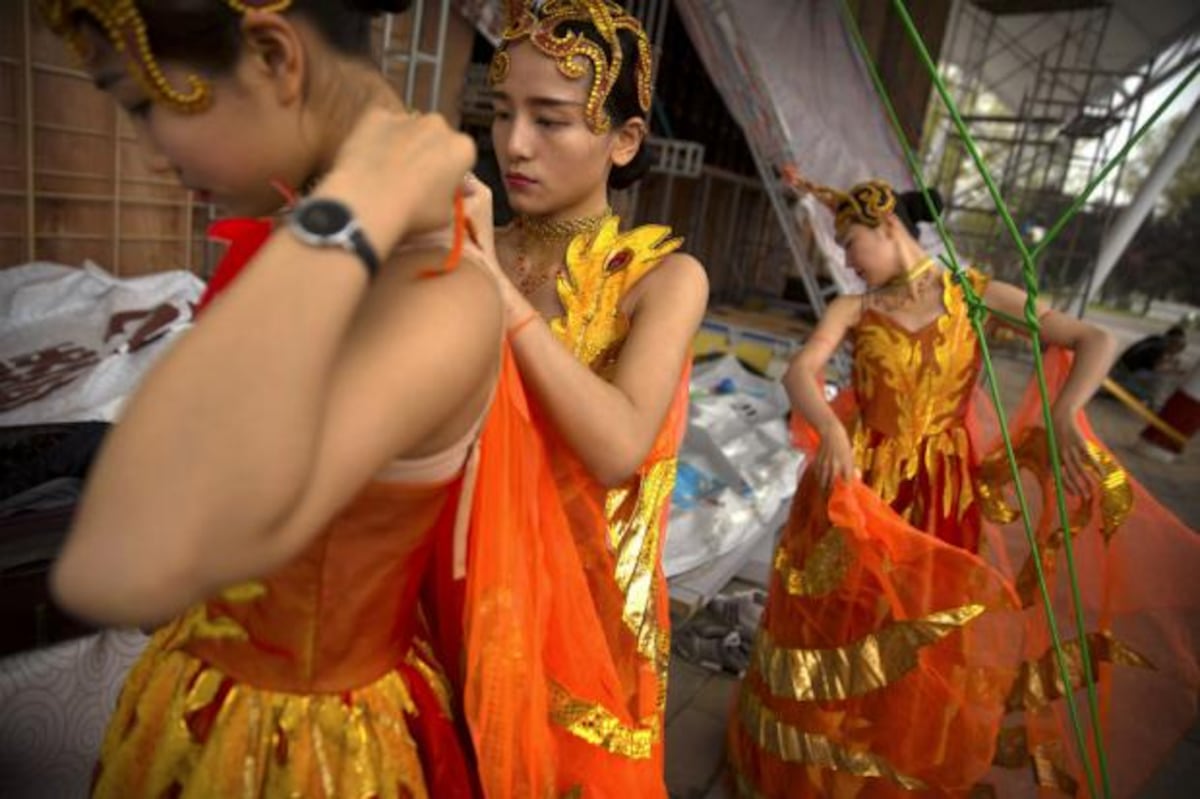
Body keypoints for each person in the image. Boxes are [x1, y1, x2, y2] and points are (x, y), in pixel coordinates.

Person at [37, 1, 558, 795]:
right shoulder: (314, 240)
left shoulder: (435, 292)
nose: (148, 154)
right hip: (201, 698)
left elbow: (116, 567)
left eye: (143, 105)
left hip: (294, 751)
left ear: (276, 57)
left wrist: (351, 210)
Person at [728, 176, 1200, 797]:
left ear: (887, 226)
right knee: (849, 622)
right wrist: (832, 432)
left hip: (942, 494)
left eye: (849, 244)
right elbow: (801, 372)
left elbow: (1094, 340)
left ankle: (892, 750)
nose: (845, 261)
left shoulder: (973, 295)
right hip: (862, 488)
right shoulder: (854, 307)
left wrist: (1062, 415)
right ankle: (829, 760)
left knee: (926, 626)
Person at [427, 1, 707, 795]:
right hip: (448, 589)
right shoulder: (468, 244)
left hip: (581, 621)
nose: (513, 145)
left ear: (624, 140)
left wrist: (491, 288)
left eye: (551, 121)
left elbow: (619, 445)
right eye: (503, 113)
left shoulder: (661, 279)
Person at [1111, 324, 1187, 405]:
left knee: (1155, 374)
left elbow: (1157, 359)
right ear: (1172, 342)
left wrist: (1170, 360)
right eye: (1178, 346)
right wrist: (1174, 370)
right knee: (1160, 378)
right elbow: (1157, 368)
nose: (1178, 350)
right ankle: (1144, 396)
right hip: (1125, 372)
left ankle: (1131, 390)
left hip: (1121, 366)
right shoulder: (1158, 348)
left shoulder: (1156, 339)